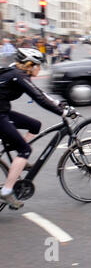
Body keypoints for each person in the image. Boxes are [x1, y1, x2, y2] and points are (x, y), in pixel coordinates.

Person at [0, 48, 75, 209]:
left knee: (35, 125)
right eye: (38, 65)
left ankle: (19, 161)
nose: (39, 68)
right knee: (25, 149)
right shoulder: (18, 76)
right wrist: (62, 112)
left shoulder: (16, 72)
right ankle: (7, 191)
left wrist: (59, 104)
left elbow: (39, 93)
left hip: (3, 111)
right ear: (29, 64)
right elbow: (39, 99)